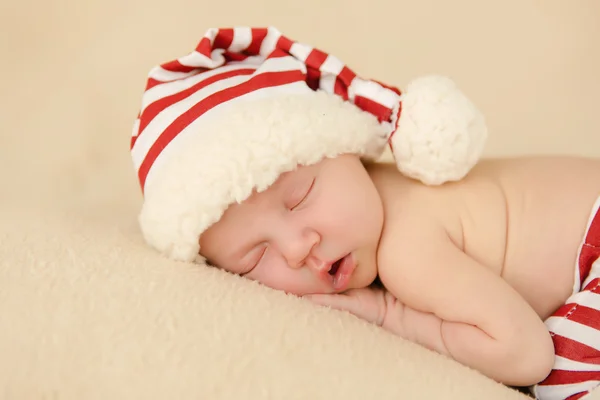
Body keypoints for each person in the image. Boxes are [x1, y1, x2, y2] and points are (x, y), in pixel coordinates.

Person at [130, 26, 600, 400]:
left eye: (299, 198)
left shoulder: (406, 250)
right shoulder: (373, 203)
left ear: (350, 149)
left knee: (564, 372)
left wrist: (389, 315)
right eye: (254, 258)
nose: (297, 248)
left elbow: (524, 355)